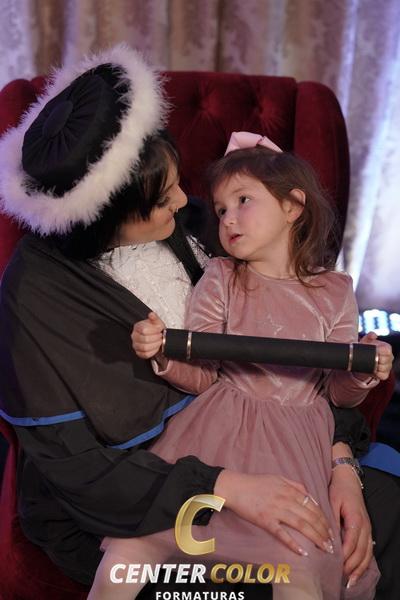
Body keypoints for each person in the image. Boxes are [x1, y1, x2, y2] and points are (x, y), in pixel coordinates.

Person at [0, 46, 396, 598]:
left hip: (278, 447)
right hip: (139, 494)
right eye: (163, 199)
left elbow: (309, 358)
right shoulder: (37, 299)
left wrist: (342, 465)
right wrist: (229, 488)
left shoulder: (194, 229)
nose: (185, 202)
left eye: (177, 183)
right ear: (105, 220)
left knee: (374, 527)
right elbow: (81, 468)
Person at [90, 132, 393, 600]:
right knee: (131, 552)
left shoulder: (334, 290)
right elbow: (202, 374)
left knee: (298, 560)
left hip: (296, 441)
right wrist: (162, 353)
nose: (228, 218)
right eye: (220, 210)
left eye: (243, 201)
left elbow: (337, 393)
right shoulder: (221, 277)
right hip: (219, 429)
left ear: (292, 206)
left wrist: (363, 371)